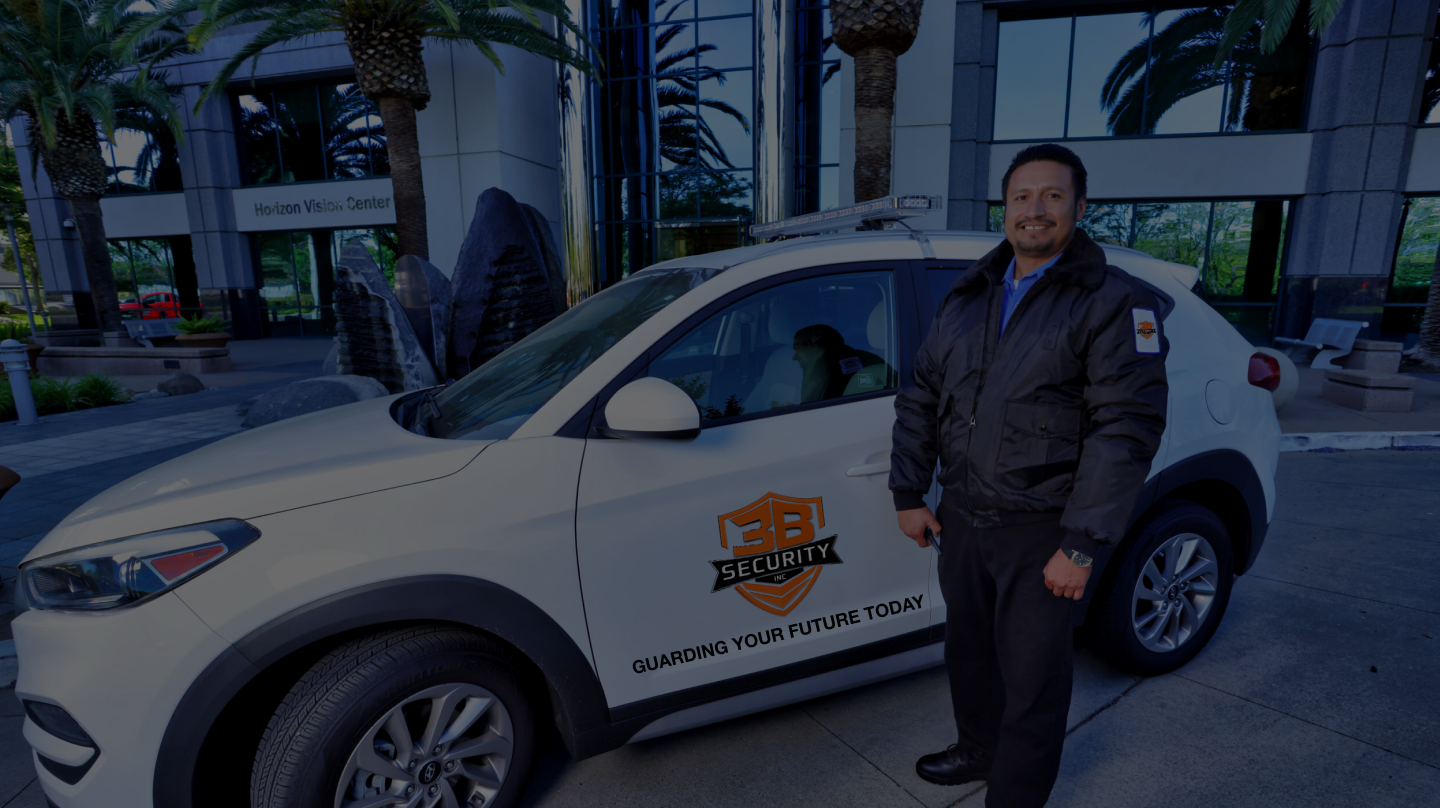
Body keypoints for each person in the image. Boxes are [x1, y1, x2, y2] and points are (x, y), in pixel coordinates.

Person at [888, 143, 1169, 808]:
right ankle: (979, 750)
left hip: (1044, 528)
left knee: (1033, 674)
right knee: (970, 654)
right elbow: (922, 396)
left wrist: (1081, 544)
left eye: (1052, 195)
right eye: (1021, 196)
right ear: (1005, 208)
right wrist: (909, 490)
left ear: (1080, 206)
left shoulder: (1112, 302)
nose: (1034, 209)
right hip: (963, 516)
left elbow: (1125, 429)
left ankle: (1014, 796)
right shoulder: (970, 296)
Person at [791, 323, 886, 403]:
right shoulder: (860, 359)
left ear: (814, 343)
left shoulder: (829, 375)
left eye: (797, 349)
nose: (794, 357)